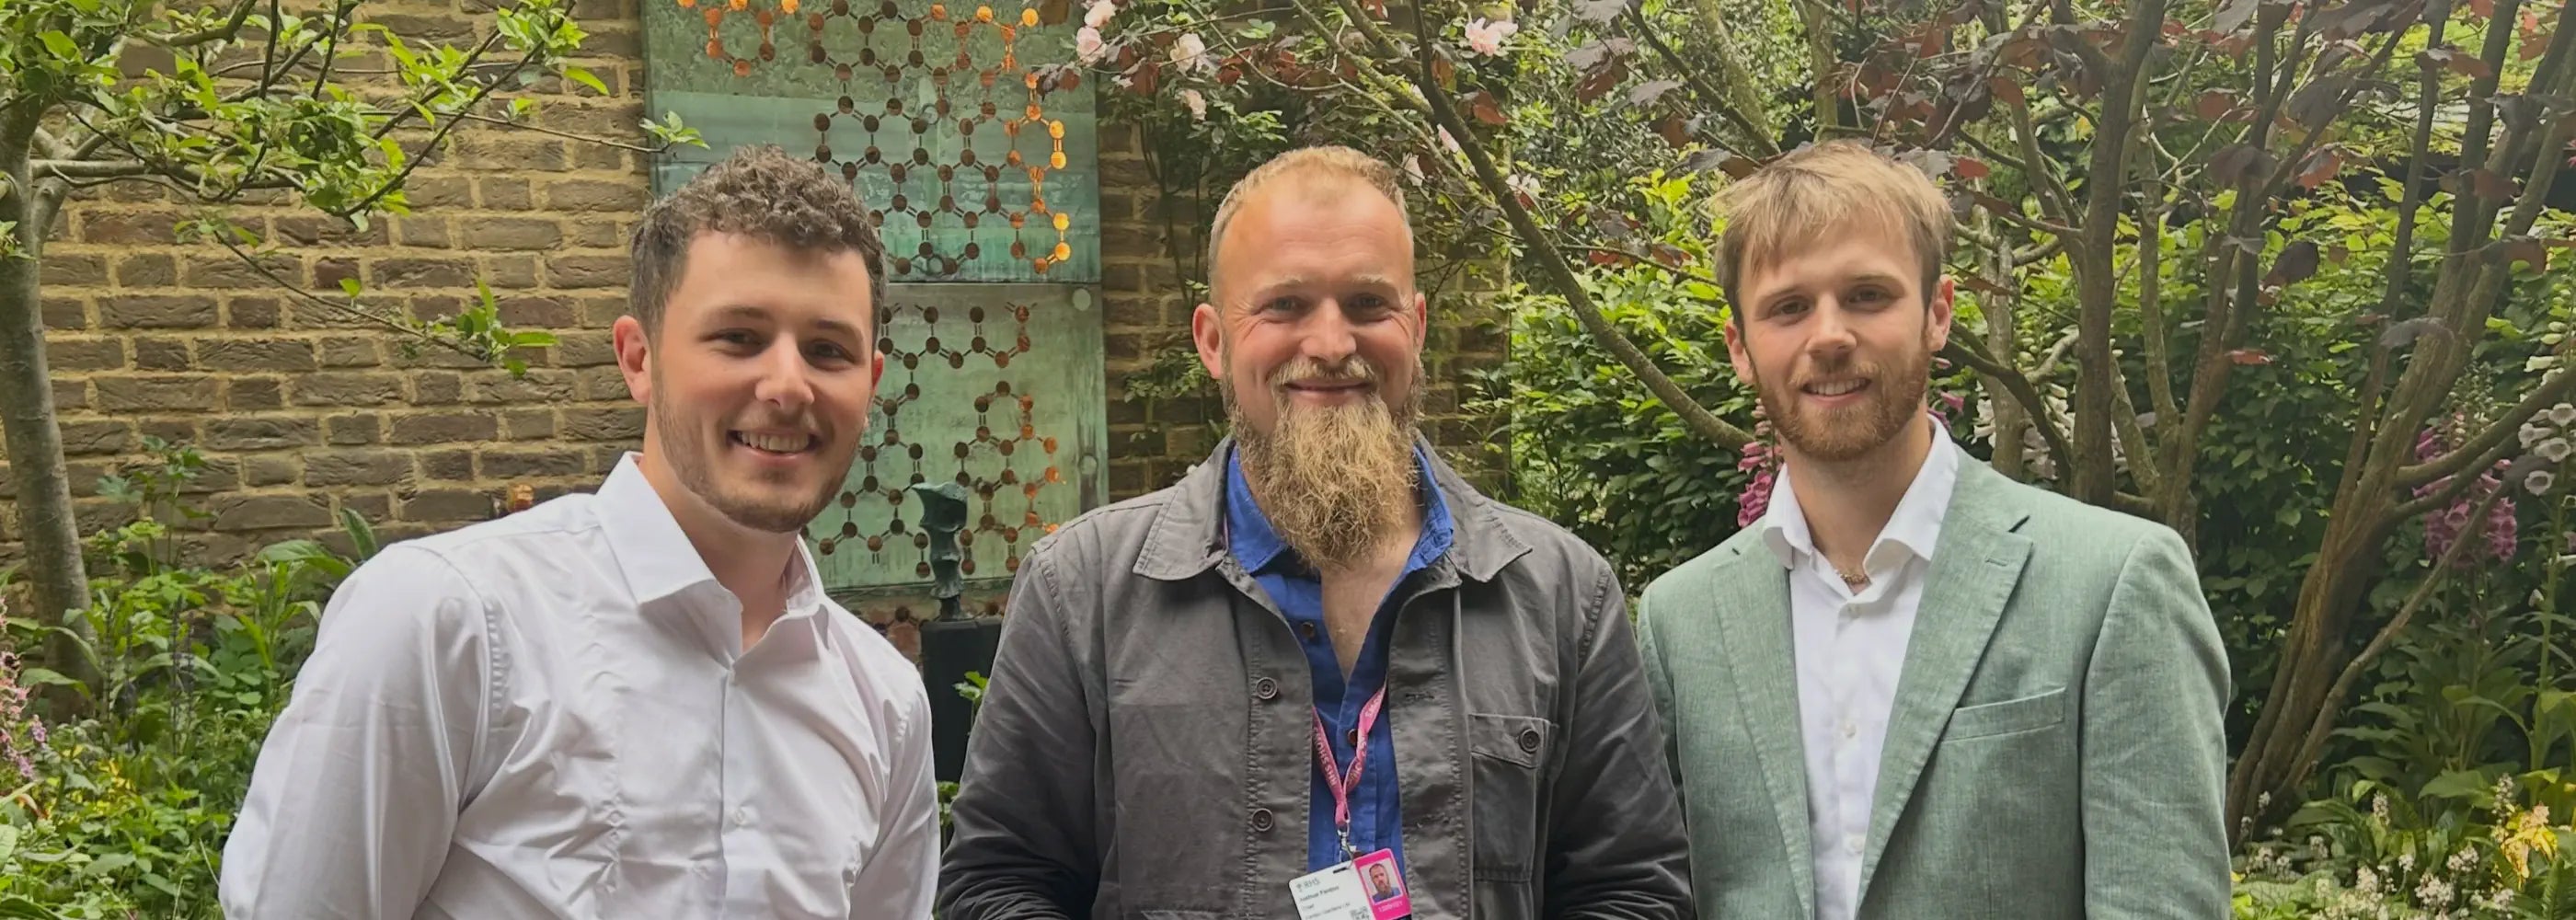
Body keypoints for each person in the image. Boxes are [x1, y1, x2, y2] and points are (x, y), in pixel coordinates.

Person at [937, 145, 1693, 919]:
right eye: (1285, 305)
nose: (1332, 343)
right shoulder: (1083, 590)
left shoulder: (1563, 595)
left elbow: (1633, 889)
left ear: (1417, 326)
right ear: (1212, 341)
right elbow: (998, 883)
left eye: (1368, 304)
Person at [218, 144, 939, 918]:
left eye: (827, 350)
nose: (787, 385)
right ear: (640, 359)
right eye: (739, 337)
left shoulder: (885, 703)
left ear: (868, 384)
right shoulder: (449, 623)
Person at [1634, 138, 2232, 919]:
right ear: (1741, 349)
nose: (1828, 336)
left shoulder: (2113, 582)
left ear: (1938, 314)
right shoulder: (1681, 621)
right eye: (1788, 307)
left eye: (1868, 296)